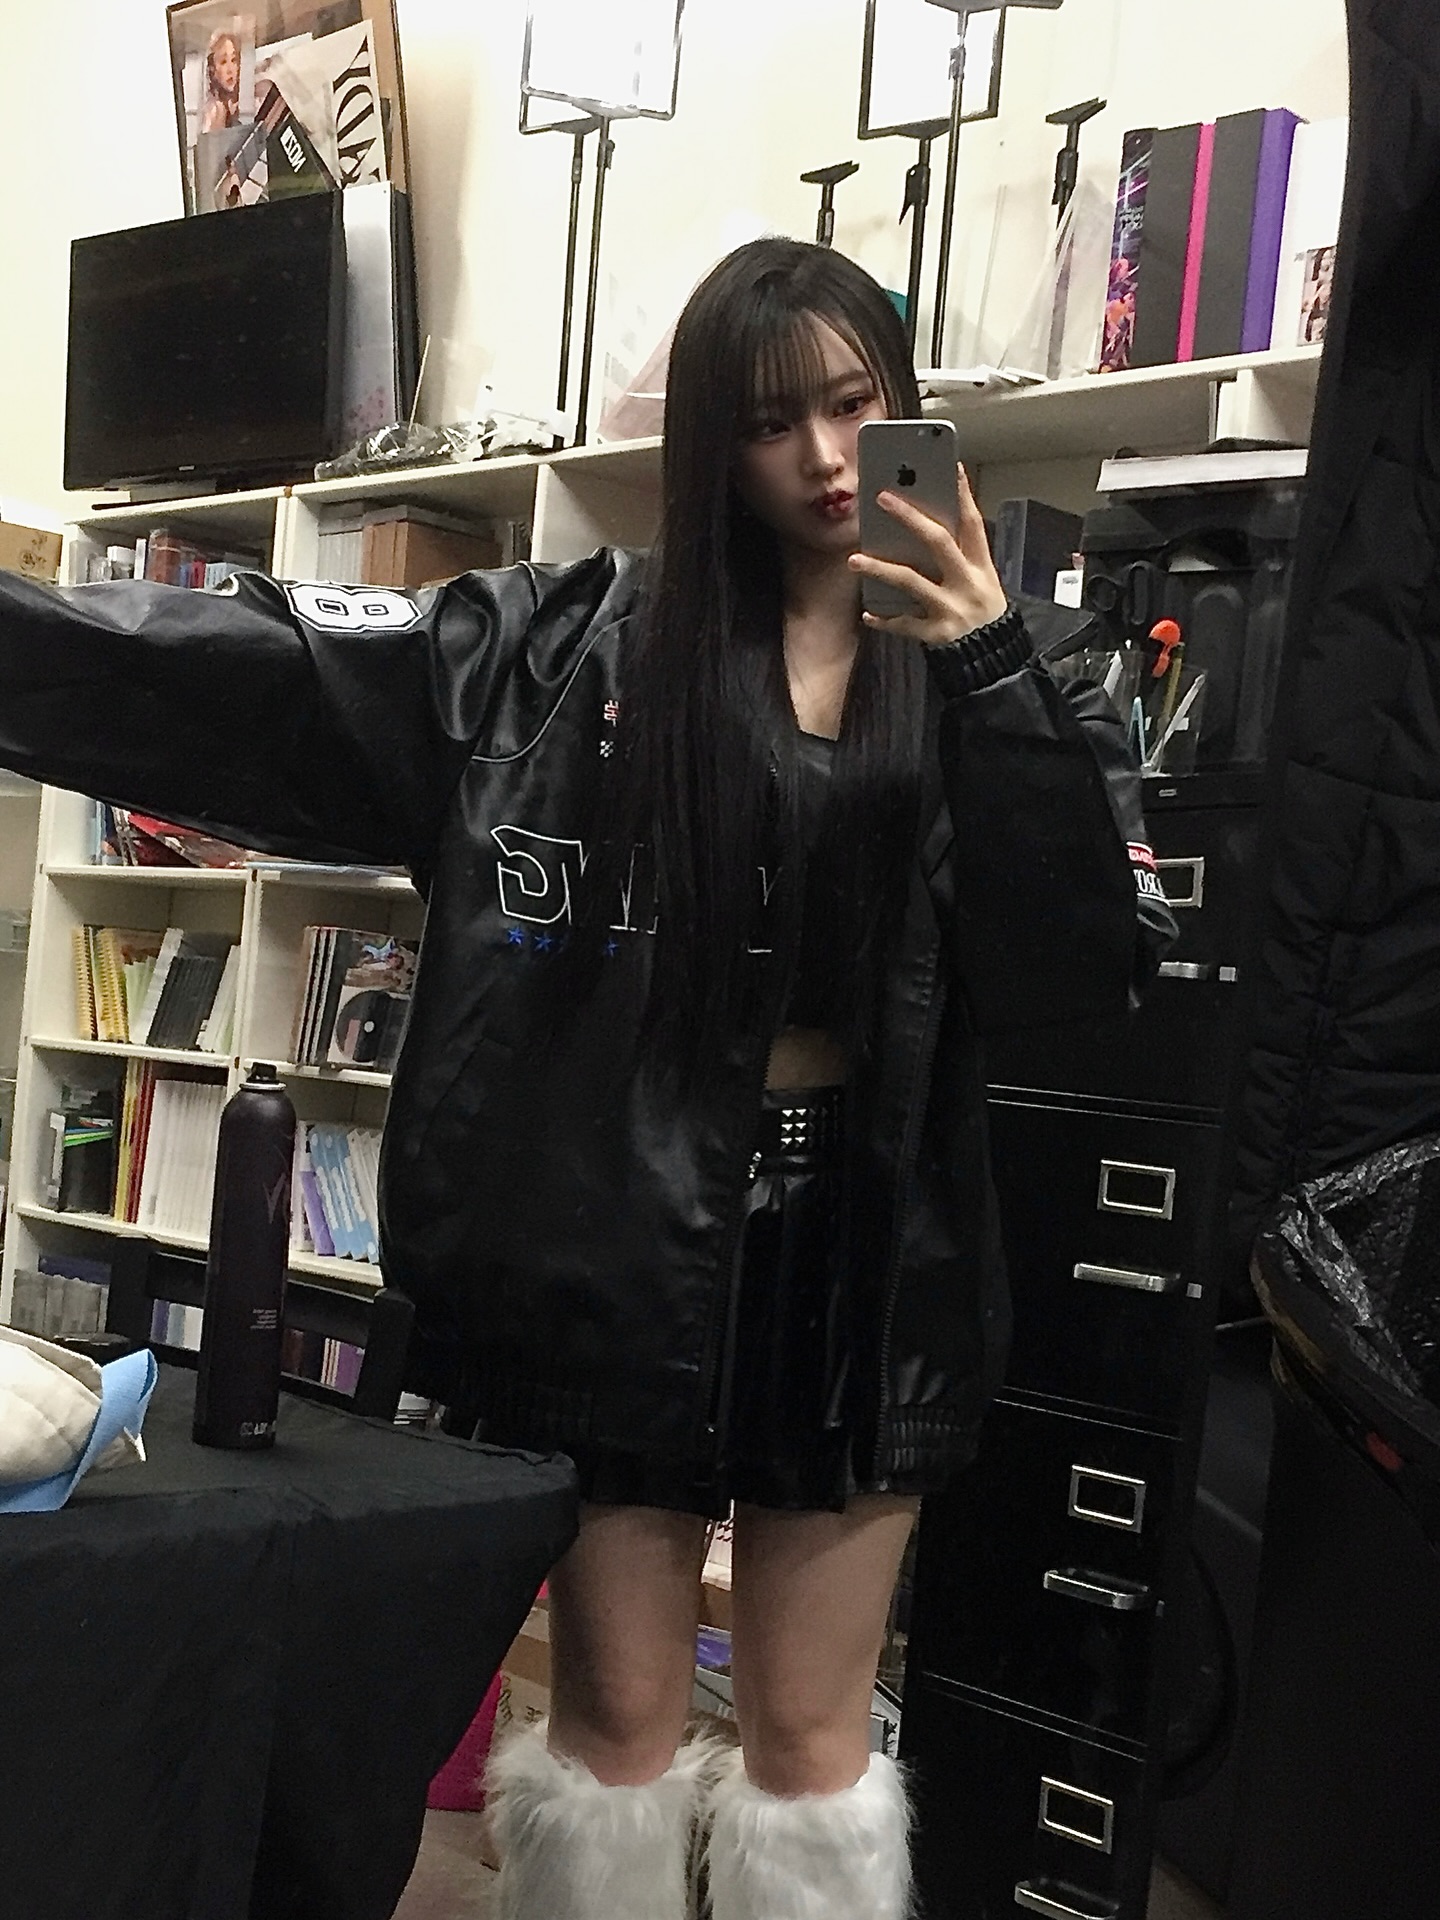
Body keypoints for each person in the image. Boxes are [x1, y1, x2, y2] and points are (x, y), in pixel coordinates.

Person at [0, 238, 1173, 1917]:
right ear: (710, 444)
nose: (828, 458)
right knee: (619, 1724)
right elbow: (255, 666)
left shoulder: (1021, 666)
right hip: (614, 1242)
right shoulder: (561, 647)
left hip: (866, 1258)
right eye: (772, 422)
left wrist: (984, 658)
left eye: (858, 406)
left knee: (813, 1741)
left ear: (909, 406)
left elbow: (1082, 965)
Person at [201, 29, 243, 134]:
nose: (230, 69)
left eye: (234, 60)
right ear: (213, 69)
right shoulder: (214, 110)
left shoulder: (232, 105)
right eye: (223, 62)